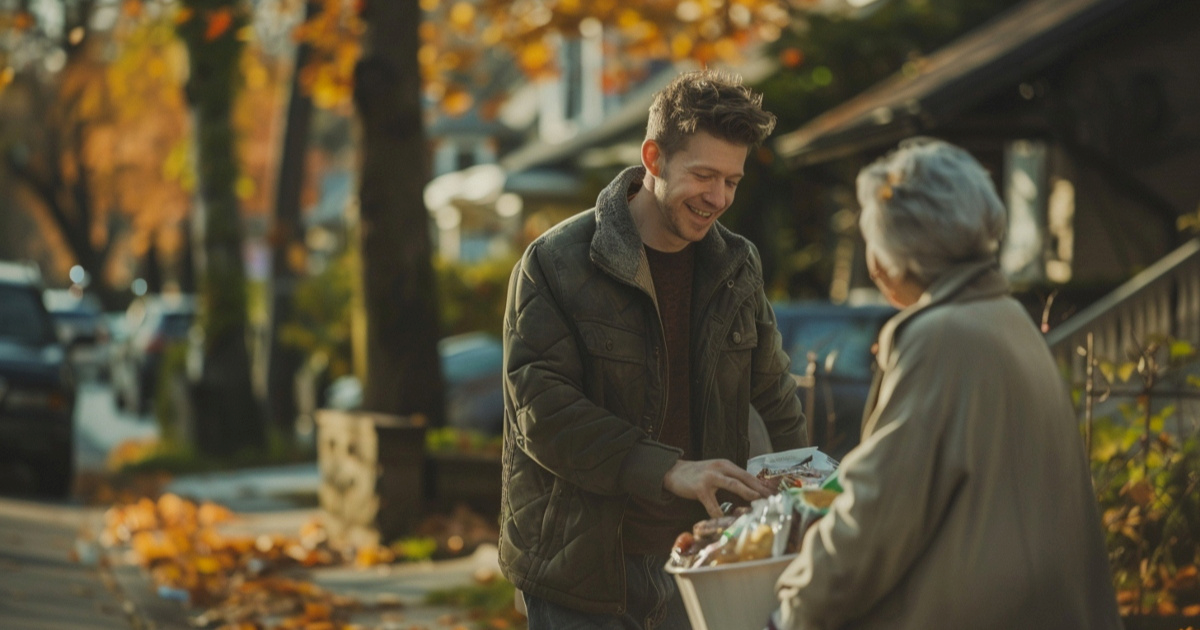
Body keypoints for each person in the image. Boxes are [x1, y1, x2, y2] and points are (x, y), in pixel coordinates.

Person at [768, 138, 1122, 630]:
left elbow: (877, 514)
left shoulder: (940, 337)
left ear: (893, 252)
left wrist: (792, 610)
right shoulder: (1006, 318)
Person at [500, 69, 807, 629]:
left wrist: (804, 507)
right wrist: (671, 470)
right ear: (653, 157)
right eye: (704, 175)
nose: (718, 198)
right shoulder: (554, 262)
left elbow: (775, 397)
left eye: (732, 182)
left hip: (703, 562)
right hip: (581, 573)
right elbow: (540, 412)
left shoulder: (739, 266)